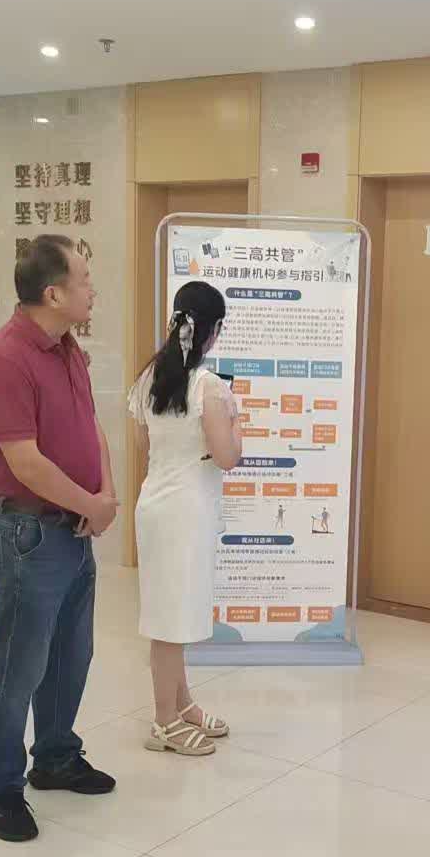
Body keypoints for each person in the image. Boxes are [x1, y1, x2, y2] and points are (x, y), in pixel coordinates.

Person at [0, 233, 119, 842]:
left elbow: (91, 428)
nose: (93, 290)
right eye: (84, 280)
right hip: (26, 532)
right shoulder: (5, 357)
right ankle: (1, 789)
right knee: (19, 664)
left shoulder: (68, 348)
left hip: (73, 527)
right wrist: (89, 504)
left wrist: (104, 495)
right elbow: (24, 462)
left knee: (71, 655)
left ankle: (55, 756)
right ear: (54, 293)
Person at [129, 281, 241, 757]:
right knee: (170, 623)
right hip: (186, 513)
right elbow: (227, 457)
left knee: (171, 614)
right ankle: (164, 722)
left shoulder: (149, 378)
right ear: (212, 331)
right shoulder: (210, 387)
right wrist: (236, 424)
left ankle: (183, 703)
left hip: (156, 506)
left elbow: (143, 445)